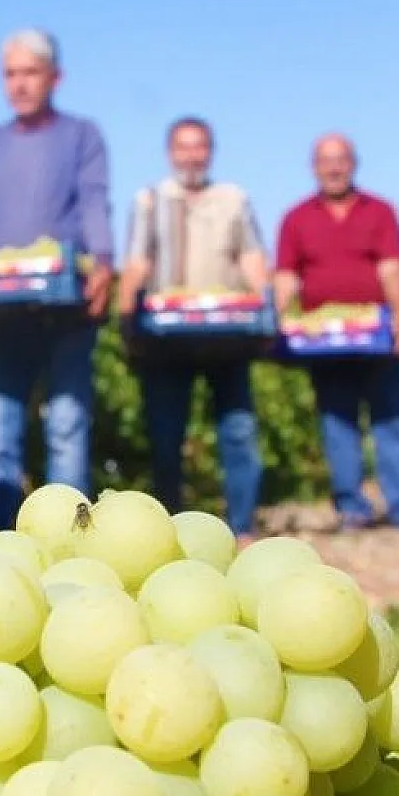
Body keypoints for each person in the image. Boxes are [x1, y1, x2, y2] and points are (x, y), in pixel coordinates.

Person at [0, 28, 116, 532]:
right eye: (10, 74)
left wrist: (103, 261)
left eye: (30, 73)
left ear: (55, 77)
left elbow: (94, 199)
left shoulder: (82, 135)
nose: (19, 84)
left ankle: (71, 534)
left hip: (66, 304)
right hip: (4, 308)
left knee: (67, 422)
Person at [117, 117, 269, 546]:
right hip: (166, 340)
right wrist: (126, 315)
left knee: (238, 430)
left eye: (199, 147)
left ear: (210, 152)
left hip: (227, 337)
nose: (191, 156)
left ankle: (243, 525)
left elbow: (251, 257)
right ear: (171, 153)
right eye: (183, 147)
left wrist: (267, 305)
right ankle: (168, 527)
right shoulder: (150, 200)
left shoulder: (233, 199)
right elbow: (137, 261)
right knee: (166, 436)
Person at [274, 133, 399, 530]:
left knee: (392, 419)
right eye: (326, 160)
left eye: (341, 159)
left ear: (353, 163)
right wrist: (273, 319)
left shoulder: (380, 211)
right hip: (323, 343)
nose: (334, 168)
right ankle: (352, 509)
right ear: (314, 167)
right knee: (337, 423)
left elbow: (391, 269)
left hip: (375, 336)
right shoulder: (297, 218)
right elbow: (287, 278)